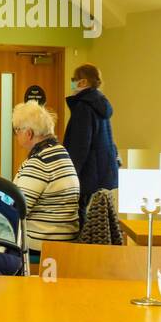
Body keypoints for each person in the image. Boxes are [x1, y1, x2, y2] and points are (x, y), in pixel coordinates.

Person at [12, 101, 80, 257]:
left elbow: (16, 210)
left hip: (42, 247)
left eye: (17, 130)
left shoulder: (39, 162)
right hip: (65, 241)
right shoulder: (61, 153)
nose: (16, 136)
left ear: (28, 133)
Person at [62, 63, 118, 215]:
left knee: (79, 215)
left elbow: (79, 146)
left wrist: (69, 175)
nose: (72, 83)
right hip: (100, 172)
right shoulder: (100, 104)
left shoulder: (84, 107)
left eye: (74, 79)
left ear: (83, 82)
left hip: (86, 174)